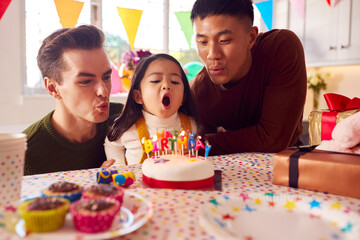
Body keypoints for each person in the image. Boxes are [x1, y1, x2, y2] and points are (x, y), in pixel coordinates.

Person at [189, 0, 307, 155]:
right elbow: (202, 153)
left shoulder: (280, 48)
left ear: (251, 38)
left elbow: (273, 139)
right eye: (203, 42)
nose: (212, 55)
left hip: (288, 164)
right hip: (234, 171)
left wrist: (208, 141)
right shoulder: (198, 90)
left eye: (224, 40)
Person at [23, 25, 123, 175]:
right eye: (85, 81)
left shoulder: (123, 118)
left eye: (106, 77)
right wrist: (93, 184)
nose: (103, 91)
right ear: (52, 88)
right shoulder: (25, 155)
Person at [105, 54, 198, 166]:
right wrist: (119, 165)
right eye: (155, 81)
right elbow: (112, 144)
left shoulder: (192, 126)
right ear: (138, 96)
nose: (166, 85)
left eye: (174, 81)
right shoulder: (128, 127)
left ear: (183, 97)